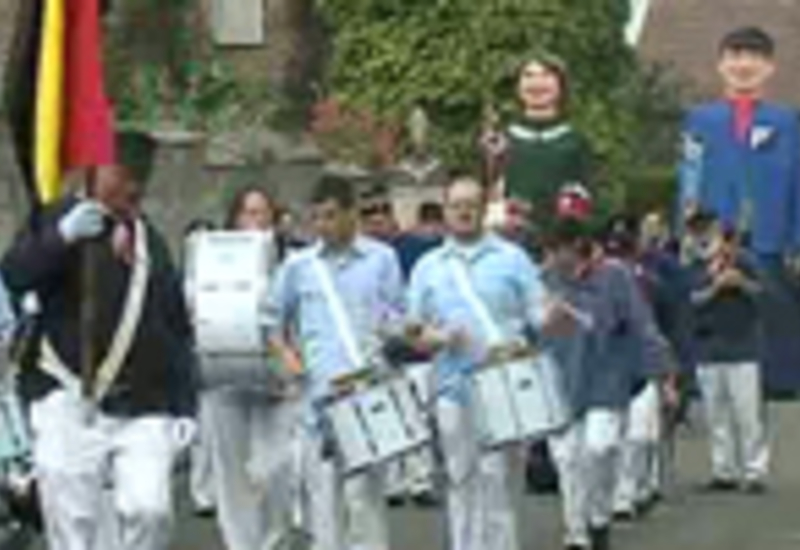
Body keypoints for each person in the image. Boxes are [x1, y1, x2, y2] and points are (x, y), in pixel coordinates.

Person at [1, 132, 197, 550]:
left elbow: (176, 328)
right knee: (71, 519)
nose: (133, 187)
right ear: (99, 171)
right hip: (66, 396)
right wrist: (61, 239)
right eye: (124, 174)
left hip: (141, 402)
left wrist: (184, 404)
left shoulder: (151, 244)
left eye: (141, 177)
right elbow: (16, 274)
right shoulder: (56, 219)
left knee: (151, 509)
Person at [407, 175, 580, 550]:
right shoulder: (427, 266)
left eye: (471, 204)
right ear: (446, 211)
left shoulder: (512, 259)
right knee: (460, 479)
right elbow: (413, 330)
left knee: (500, 481)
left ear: (484, 209)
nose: (464, 211)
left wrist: (556, 316)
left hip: (505, 386)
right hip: (452, 385)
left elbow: (537, 315)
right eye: (456, 205)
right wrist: (434, 338)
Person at [265, 174, 404, 550]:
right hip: (318, 401)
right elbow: (271, 322)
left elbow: (396, 317)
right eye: (317, 218)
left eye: (330, 216)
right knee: (323, 506)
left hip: (368, 396)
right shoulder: (298, 266)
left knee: (367, 503)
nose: (322, 226)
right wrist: (289, 359)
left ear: (350, 214)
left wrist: (404, 333)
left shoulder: (382, 258)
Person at [678, 26, 800, 394]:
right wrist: (686, 233)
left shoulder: (787, 121)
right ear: (720, 65)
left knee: (774, 319)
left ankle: (780, 389)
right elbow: (689, 177)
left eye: (754, 57)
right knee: (711, 314)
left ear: (769, 67)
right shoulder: (699, 119)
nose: (744, 65)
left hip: (769, 239)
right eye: (735, 56)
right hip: (711, 239)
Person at [543, 218, 670, 550]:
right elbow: (530, 331)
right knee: (567, 460)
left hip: (606, 380)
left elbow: (642, 324)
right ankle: (576, 535)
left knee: (599, 449)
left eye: (562, 252)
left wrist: (663, 373)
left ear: (578, 247)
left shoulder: (615, 275)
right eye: (553, 253)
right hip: (561, 382)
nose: (558, 260)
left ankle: (598, 516)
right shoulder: (545, 280)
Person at [187, 186, 303, 550]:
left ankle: (273, 540)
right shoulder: (206, 259)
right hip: (225, 379)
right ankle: (240, 544)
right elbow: (193, 306)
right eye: (248, 213)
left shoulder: (293, 263)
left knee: (277, 468)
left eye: (262, 213)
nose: (255, 220)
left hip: (277, 380)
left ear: (274, 218)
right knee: (231, 473)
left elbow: (302, 319)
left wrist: (295, 360)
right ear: (234, 219)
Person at [687, 219, 769, 493]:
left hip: (743, 347)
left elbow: (764, 294)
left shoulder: (746, 260)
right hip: (709, 349)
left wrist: (741, 282)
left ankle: (755, 471)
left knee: (748, 414)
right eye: (704, 234)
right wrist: (716, 286)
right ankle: (723, 471)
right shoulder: (697, 264)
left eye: (714, 234)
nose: (708, 239)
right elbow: (692, 301)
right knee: (716, 415)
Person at [483, 52, 594, 242]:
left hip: (560, 248)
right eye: (528, 75)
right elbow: (485, 193)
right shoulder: (499, 139)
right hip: (508, 242)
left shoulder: (575, 140)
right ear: (518, 87)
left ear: (561, 86)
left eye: (546, 75)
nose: (537, 83)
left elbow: (586, 196)